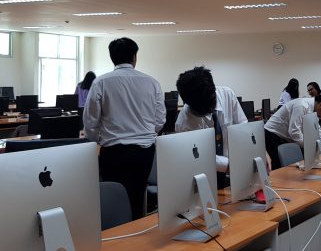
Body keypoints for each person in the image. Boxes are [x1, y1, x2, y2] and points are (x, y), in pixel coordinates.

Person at [83, 37, 166, 220]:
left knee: (114, 199)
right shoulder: (152, 82)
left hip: (113, 151)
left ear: (112, 57)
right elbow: (160, 119)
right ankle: (139, 231)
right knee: (138, 196)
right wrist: (147, 134)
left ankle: (117, 234)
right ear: (134, 57)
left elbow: (90, 121)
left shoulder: (101, 82)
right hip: (144, 151)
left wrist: (97, 140)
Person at [176, 66, 269, 188]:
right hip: (203, 174)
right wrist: (230, 165)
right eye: (201, 110)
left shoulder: (227, 95)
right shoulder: (184, 123)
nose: (208, 111)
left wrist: (260, 151)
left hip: (233, 168)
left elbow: (244, 128)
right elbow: (200, 157)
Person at [264, 94, 321, 170]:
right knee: (277, 168)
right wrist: (310, 147)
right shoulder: (301, 106)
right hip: (271, 135)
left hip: (283, 136)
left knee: (293, 166)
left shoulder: (313, 111)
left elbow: (318, 132)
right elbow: (294, 132)